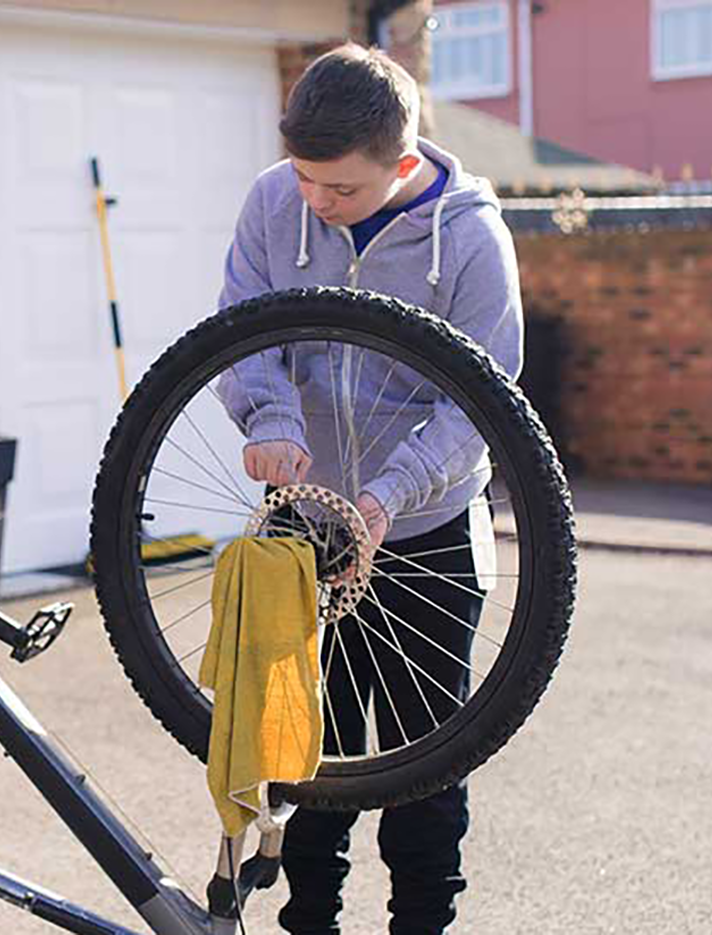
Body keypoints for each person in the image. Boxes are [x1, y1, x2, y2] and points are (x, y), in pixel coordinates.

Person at [214, 43, 524, 935]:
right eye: (307, 178)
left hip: (427, 524)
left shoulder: (468, 237)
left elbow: (485, 399)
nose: (317, 201)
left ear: (404, 161)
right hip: (309, 523)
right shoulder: (276, 199)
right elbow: (242, 327)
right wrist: (269, 419)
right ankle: (309, 920)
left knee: (428, 756)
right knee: (311, 744)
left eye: (342, 190)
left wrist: (390, 491)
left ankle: (422, 924)